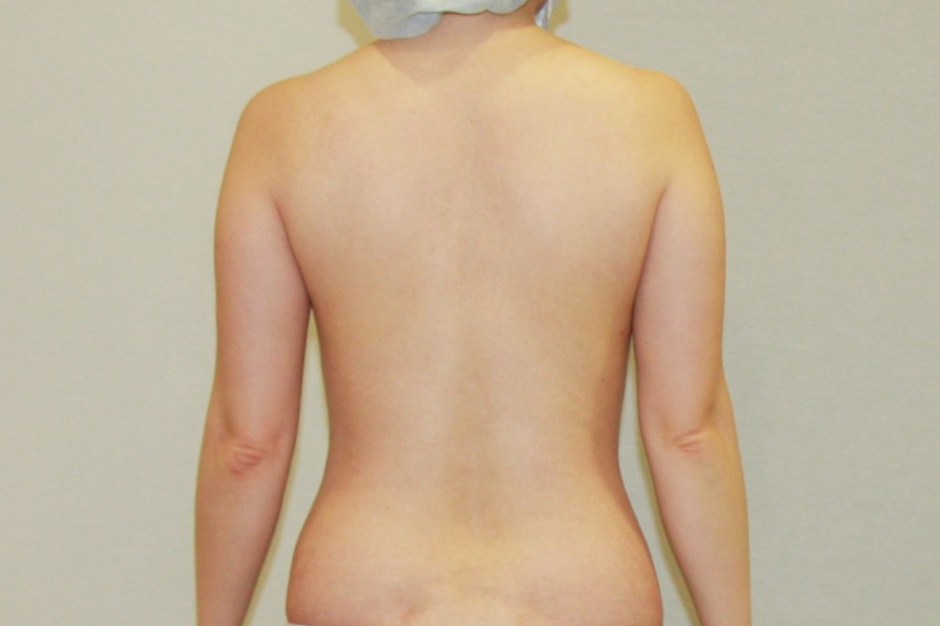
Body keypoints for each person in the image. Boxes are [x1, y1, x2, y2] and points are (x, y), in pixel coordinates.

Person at [195, 1, 750, 625]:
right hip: (576, 589)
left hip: (368, 587)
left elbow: (247, 446)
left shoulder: (282, 124)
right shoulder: (651, 114)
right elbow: (690, 434)